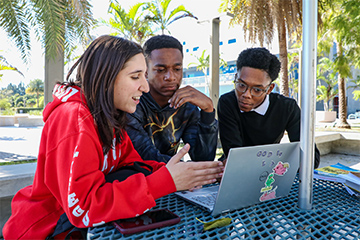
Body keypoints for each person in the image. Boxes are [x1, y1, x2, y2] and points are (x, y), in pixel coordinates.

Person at [2, 35, 224, 239]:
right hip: (46, 230)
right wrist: (166, 181)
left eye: (144, 77)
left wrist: (186, 174)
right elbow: (83, 208)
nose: (145, 87)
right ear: (107, 77)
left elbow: (134, 163)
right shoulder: (74, 119)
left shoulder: (109, 117)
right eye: (136, 76)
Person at [217, 47, 320, 168]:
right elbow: (235, 157)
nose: (246, 95)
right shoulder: (227, 102)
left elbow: (312, 159)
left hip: (270, 171)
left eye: (257, 90)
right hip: (236, 170)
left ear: (269, 89)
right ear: (236, 78)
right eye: (241, 85)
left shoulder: (287, 108)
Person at [126, 35, 218, 163]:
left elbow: (203, 158)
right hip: (139, 178)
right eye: (161, 70)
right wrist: (186, 169)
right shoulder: (133, 104)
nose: (170, 77)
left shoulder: (187, 107)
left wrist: (208, 111)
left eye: (177, 69)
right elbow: (145, 156)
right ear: (146, 72)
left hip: (174, 176)